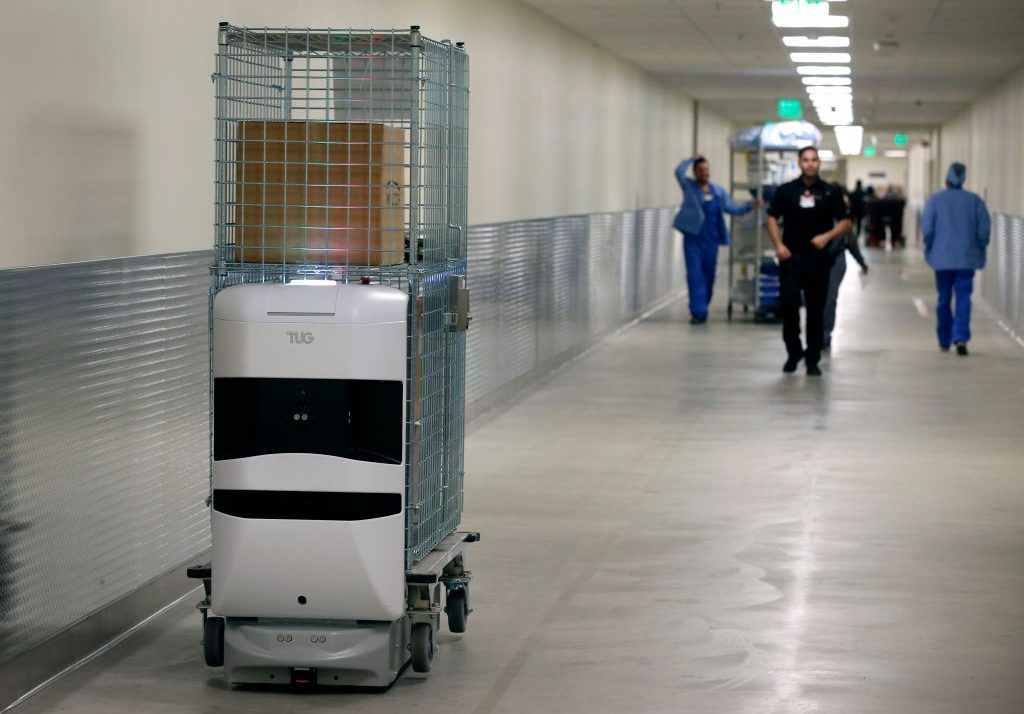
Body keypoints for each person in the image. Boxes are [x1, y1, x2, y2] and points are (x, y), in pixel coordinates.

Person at [766, 146, 852, 375]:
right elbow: (772, 217)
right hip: (791, 259)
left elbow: (846, 222)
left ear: (819, 163)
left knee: (816, 310)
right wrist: (778, 245)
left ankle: (812, 358)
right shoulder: (786, 191)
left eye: (814, 160)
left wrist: (827, 237)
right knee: (790, 307)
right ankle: (793, 354)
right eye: (806, 160)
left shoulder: (829, 192)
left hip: (818, 261)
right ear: (799, 162)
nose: (810, 163)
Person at [673, 154, 759, 324]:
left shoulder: (718, 192)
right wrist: (690, 159)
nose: (704, 173)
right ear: (695, 173)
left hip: (711, 240)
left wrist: (751, 205)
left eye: (706, 169)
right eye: (700, 170)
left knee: (709, 275)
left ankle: (703, 304)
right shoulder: (689, 187)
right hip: (693, 239)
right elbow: (678, 172)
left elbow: (733, 208)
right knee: (695, 275)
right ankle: (698, 312)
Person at [920, 162, 991, 356]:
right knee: (963, 298)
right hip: (966, 258)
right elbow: (984, 229)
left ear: (946, 179)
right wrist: (980, 246)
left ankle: (944, 339)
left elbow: (927, 228)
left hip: (941, 260)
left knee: (943, 298)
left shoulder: (935, 200)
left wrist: (931, 246)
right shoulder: (975, 201)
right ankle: (960, 338)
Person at [823, 182, 869, 349]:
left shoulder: (844, 216)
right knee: (814, 299)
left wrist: (862, 262)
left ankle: (825, 335)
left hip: (836, 260)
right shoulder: (817, 212)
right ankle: (815, 333)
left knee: (829, 298)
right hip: (816, 261)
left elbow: (851, 243)